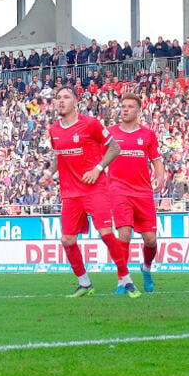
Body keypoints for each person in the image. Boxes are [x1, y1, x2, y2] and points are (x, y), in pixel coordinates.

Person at [41, 86, 137, 298]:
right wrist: (49, 173)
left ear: (75, 102)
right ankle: (85, 283)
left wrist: (98, 168)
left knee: (106, 235)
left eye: (66, 97)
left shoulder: (90, 124)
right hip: (70, 193)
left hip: (94, 189)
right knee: (67, 240)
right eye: (58, 98)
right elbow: (59, 157)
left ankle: (126, 279)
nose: (61, 101)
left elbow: (114, 148)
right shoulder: (54, 130)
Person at [109, 93, 165, 293]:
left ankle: (146, 268)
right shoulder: (110, 133)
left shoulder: (148, 135)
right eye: (123, 106)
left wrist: (160, 176)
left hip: (143, 192)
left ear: (138, 111)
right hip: (118, 190)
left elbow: (157, 161)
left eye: (130, 106)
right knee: (124, 234)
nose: (125, 109)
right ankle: (122, 280)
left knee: (150, 240)